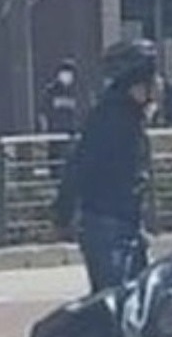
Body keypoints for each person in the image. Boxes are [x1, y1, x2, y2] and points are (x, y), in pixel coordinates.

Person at [52, 39, 160, 293]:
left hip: (127, 222)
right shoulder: (112, 118)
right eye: (153, 78)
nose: (159, 84)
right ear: (139, 82)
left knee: (139, 299)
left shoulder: (129, 115)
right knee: (115, 301)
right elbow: (81, 164)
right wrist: (63, 211)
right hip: (108, 224)